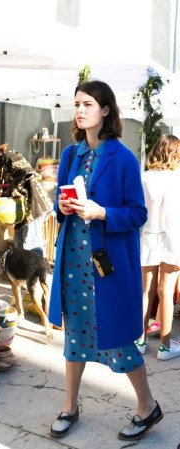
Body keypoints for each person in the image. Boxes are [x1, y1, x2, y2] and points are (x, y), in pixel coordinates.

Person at [48, 80, 162, 441]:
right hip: (73, 262)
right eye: (77, 104)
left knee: (118, 338)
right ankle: (70, 406)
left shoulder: (124, 158)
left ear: (106, 110)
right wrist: (62, 207)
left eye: (88, 104)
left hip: (107, 267)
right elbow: (59, 205)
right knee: (75, 336)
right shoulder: (70, 155)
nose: (80, 110)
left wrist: (101, 213)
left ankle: (147, 406)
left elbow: (137, 214)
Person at [136, 134, 180, 359]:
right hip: (173, 239)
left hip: (149, 236)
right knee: (166, 293)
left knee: (146, 291)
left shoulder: (144, 177)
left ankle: (140, 340)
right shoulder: (178, 178)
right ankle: (165, 346)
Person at [0, 143, 52, 256]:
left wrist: (11, 188)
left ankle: (34, 267)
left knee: (31, 238)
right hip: (23, 207)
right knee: (19, 237)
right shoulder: (5, 166)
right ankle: (21, 267)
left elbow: (26, 172)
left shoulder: (10, 156)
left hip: (34, 203)